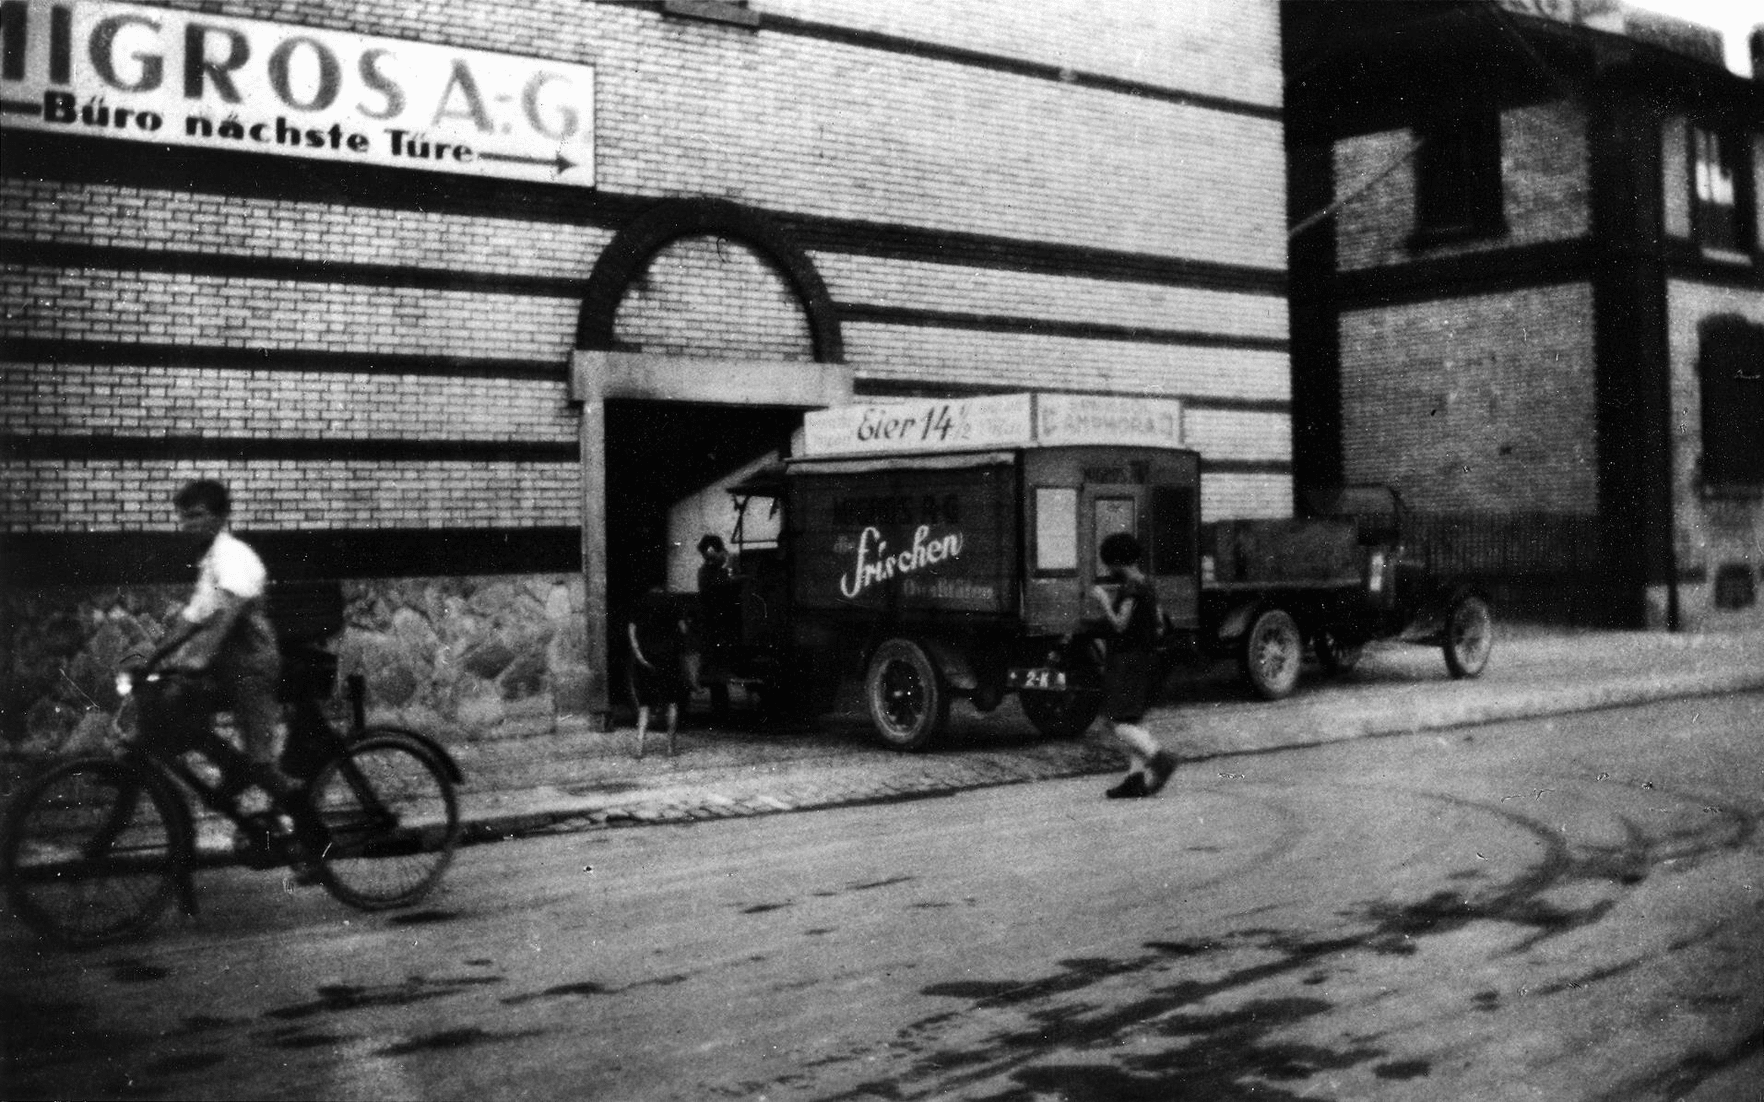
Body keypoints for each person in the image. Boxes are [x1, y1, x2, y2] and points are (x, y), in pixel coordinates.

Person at [143, 479, 293, 812]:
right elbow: (191, 619)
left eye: (197, 515)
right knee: (178, 714)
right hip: (227, 666)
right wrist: (154, 660)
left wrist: (198, 658)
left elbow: (229, 611)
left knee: (261, 763)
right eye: (184, 517)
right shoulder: (211, 560)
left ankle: (307, 826)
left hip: (252, 665)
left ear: (222, 516)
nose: (189, 525)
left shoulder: (234, 555)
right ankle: (232, 768)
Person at [1090, 532, 1178, 799]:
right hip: (1146, 659)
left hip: (1128, 662)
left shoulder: (1131, 588)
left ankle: (1159, 758)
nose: (1107, 569)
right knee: (1133, 720)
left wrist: (1103, 600)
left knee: (1117, 724)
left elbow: (1120, 624)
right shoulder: (1147, 584)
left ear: (1117, 561)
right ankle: (1135, 778)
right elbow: (1160, 622)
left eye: (1109, 563)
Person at [627, 588, 691, 758]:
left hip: (646, 660)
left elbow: (632, 631)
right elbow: (683, 629)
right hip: (669, 658)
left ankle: (639, 747)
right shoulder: (673, 602)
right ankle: (670, 747)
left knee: (644, 705)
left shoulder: (640, 603)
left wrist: (639, 654)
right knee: (672, 702)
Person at [695, 534, 742, 718]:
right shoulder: (712, 569)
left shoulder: (717, 567)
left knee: (717, 667)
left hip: (719, 621)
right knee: (716, 668)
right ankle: (720, 708)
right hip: (717, 621)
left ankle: (720, 708)